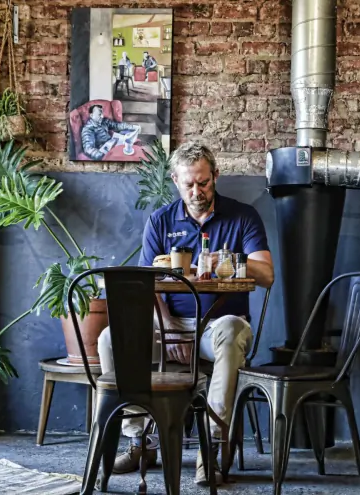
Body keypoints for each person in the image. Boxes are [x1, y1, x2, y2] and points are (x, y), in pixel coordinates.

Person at [97, 142, 275, 485]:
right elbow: (144, 284)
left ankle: (211, 446)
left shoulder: (242, 217)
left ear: (216, 177)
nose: (197, 191)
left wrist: (227, 261)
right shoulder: (161, 221)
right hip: (169, 324)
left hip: (216, 328)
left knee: (232, 331)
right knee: (109, 338)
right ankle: (139, 440)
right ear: (176, 181)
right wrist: (166, 331)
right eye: (189, 184)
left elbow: (267, 275)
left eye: (204, 183)